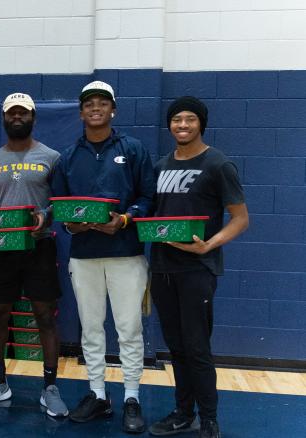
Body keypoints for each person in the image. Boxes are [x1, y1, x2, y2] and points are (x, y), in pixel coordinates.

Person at [52, 80, 155, 433]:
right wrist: (71, 226)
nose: (95, 108)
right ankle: (97, 394)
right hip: (84, 256)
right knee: (91, 328)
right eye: (89, 104)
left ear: (113, 109)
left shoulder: (134, 149)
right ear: (81, 112)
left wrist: (125, 219)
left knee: (129, 328)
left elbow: (148, 197)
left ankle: (131, 397)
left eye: (102, 103)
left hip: (126, 254)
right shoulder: (67, 157)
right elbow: (59, 207)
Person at [148, 97, 248, 438]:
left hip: (197, 270)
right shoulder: (161, 166)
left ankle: (209, 419)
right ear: (170, 125)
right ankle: (182, 412)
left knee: (197, 347)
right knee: (175, 346)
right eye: (177, 120)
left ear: (201, 124)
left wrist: (208, 244)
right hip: (162, 269)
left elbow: (240, 219)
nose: (183, 125)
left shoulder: (218, 164)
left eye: (190, 119)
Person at [0, 93, 68, 417]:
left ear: (33, 118)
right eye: (11, 112)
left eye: (23, 113)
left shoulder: (52, 157)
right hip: (2, 248)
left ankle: (50, 387)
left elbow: (61, 200)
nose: (17, 117)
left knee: (45, 316)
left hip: (39, 246)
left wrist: (45, 213)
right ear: (3, 118)